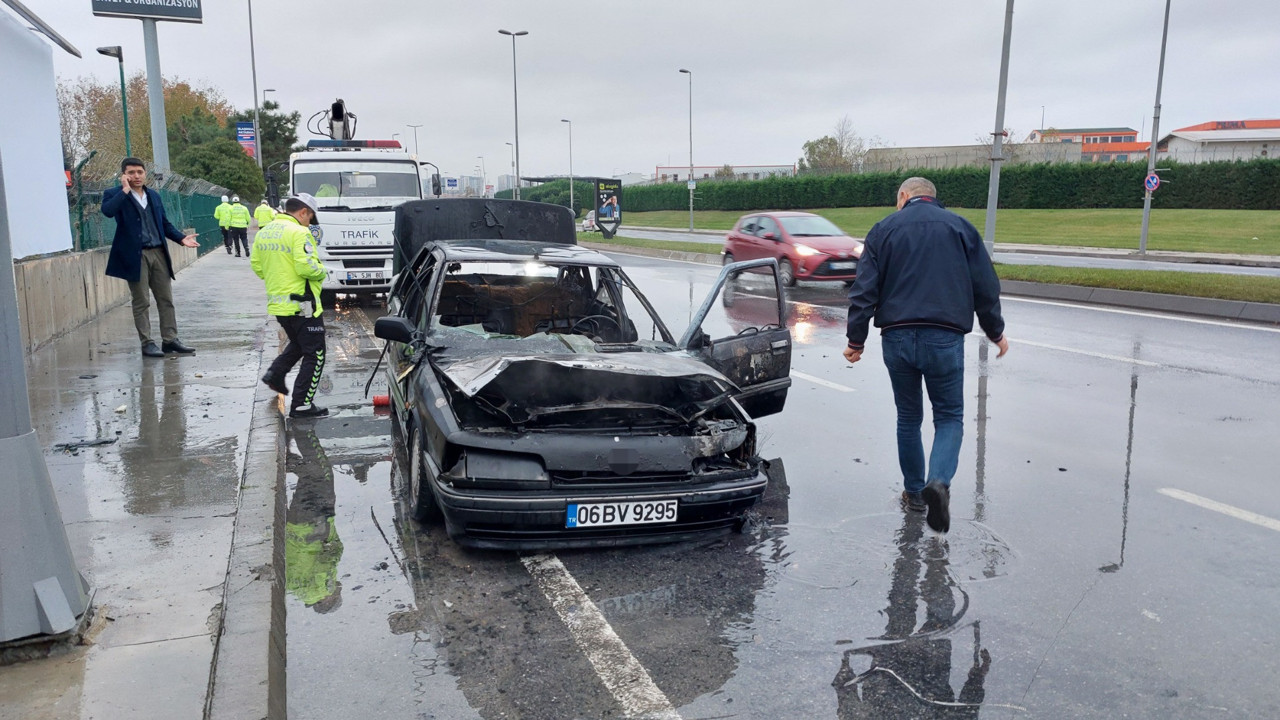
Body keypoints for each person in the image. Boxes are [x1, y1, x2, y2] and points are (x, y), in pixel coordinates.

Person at [843, 177, 1008, 533]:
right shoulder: (960, 228)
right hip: (944, 337)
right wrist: (995, 331)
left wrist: (856, 340)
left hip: (897, 337)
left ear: (904, 196)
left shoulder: (883, 230)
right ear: (932, 197)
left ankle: (915, 493)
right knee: (948, 416)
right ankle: (939, 481)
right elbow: (985, 285)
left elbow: (864, 289)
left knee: (908, 417)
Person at [101, 157, 200, 358]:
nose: (136, 176)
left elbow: (163, 223)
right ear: (124, 175)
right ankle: (147, 343)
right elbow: (108, 212)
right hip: (135, 255)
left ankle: (170, 340)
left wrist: (181, 238)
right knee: (141, 301)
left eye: (140, 172)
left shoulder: (153, 195)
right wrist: (125, 190)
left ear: (145, 174)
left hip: (158, 252)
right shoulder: (114, 194)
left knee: (166, 299)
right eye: (131, 172)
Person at [251, 193, 330, 418]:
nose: (309, 223)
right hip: (303, 304)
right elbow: (307, 267)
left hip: (279, 305)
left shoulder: (265, 232)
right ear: (303, 212)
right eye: (310, 218)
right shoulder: (299, 232)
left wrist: (279, 278)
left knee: (298, 343)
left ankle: (275, 374)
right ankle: (302, 404)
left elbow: (257, 266)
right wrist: (323, 271)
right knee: (316, 353)